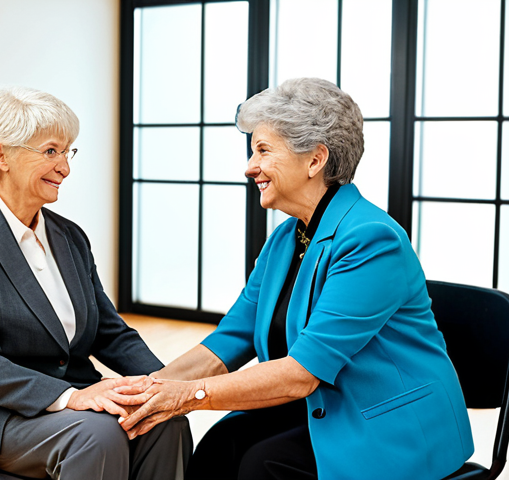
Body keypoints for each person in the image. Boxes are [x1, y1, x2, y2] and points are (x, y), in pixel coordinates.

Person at [117, 78, 474, 480]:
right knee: (220, 447)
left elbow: (302, 374)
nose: (250, 167)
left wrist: (190, 396)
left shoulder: (373, 240)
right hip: (321, 408)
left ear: (315, 159)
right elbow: (230, 338)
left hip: (390, 427)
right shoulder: (288, 238)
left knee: (259, 467)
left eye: (263, 151)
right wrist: (146, 390)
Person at [0, 87, 191, 480]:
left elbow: (111, 334)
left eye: (68, 151)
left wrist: (165, 387)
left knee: (164, 421)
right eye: (50, 152)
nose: (65, 167)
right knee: (98, 435)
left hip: (64, 403)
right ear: (1, 155)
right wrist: (73, 397)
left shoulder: (70, 237)